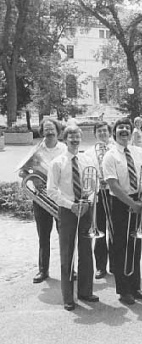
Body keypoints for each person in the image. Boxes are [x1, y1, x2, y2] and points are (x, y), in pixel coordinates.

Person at [47, 125, 98, 311]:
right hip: (67, 211)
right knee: (67, 254)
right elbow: (51, 190)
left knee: (86, 252)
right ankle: (68, 297)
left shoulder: (87, 159)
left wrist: (88, 202)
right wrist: (71, 205)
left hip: (85, 209)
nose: (75, 139)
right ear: (64, 139)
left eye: (77, 136)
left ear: (81, 138)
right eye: (71, 136)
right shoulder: (57, 162)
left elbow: (95, 184)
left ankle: (85, 291)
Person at [102, 118, 142, 305]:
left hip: (139, 200)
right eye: (120, 128)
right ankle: (124, 290)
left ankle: (135, 286)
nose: (124, 131)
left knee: (135, 245)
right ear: (114, 133)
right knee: (120, 247)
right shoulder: (110, 156)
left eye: (127, 128)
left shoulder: (139, 152)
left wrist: (141, 200)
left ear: (131, 132)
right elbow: (113, 185)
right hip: (120, 203)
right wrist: (131, 202)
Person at [18, 118, 67, 284]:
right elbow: (23, 173)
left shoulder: (64, 149)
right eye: (46, 129)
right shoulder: (36, 149)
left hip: (61, 197)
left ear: (57, 130)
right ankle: (43, 270)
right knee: (43, 237)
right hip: (41, 199)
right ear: (42, 131)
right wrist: (32, 179)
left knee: (65, 236)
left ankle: (68, 269)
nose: (49, 131)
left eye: (52, 128)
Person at [84, 121, 114, 279]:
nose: (102, 134)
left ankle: (115, 264)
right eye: (99, 131)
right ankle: (101, 266)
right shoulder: (88, 153)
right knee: (100, 230)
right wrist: (97, 180)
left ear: (109, 133)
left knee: (115, 231)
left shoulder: (116, 150)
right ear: (95, 134)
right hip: (98, 195)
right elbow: (86, 175)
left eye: (105, 131)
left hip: (114, 193)